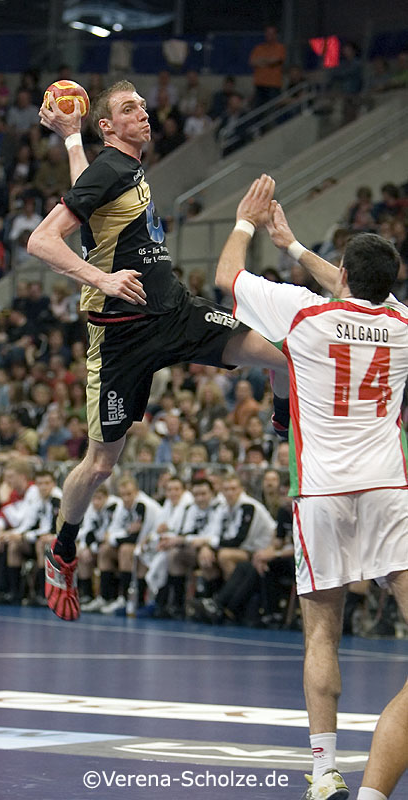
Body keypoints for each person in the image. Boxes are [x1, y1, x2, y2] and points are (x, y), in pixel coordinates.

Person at [27, 80, 289, 621]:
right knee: (101, 463)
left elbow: (92, 205)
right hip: (120, 336)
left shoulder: (119, 168)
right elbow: (41, 242)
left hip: (174, 310)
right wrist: (101, 278)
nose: (143, 113)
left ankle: (283, 417)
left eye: (143, 106)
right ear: (109, 127)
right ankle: (62, 550)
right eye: (129, 109)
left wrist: (72, 140)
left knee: (282, 356)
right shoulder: (112, 167)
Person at [214, 174, 408, 800]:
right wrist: (296, 246)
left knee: (322, 633)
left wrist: (248, 223)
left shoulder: (304, 317)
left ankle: (325, 772)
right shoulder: (403, 322)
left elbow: (228, 279)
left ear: (344, 271)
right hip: (387, 490)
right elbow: (356, 289)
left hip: (321, 495)